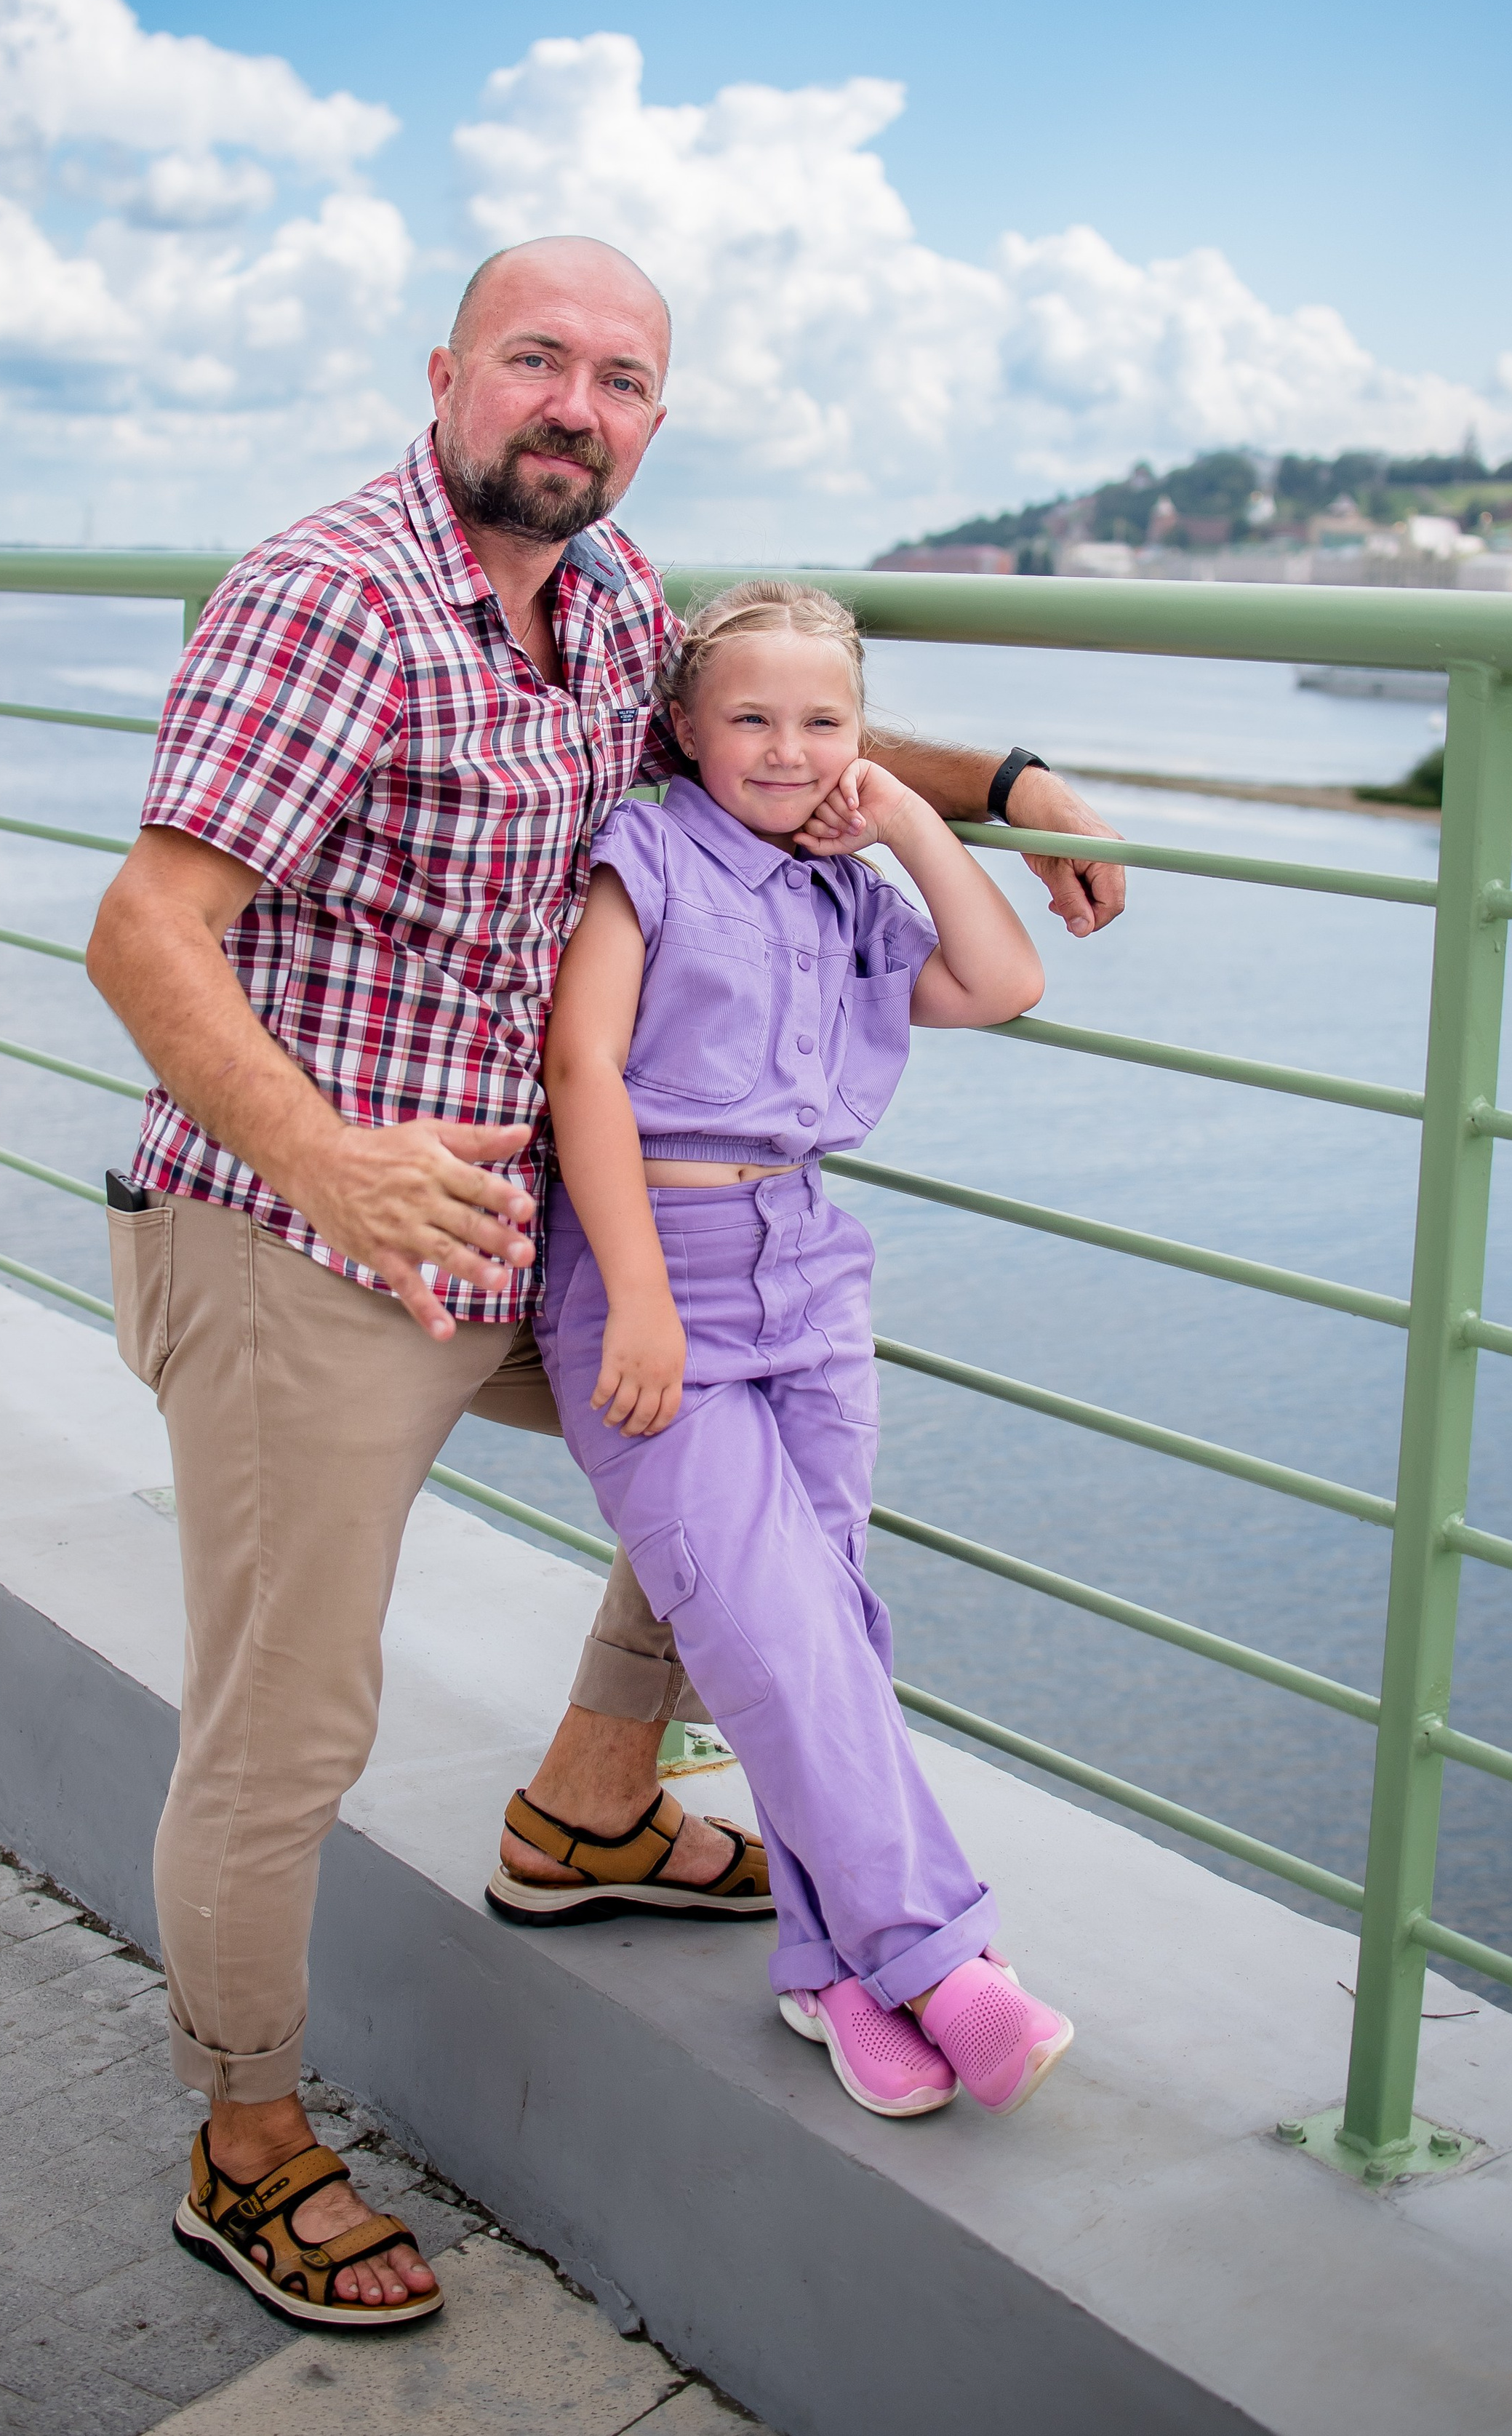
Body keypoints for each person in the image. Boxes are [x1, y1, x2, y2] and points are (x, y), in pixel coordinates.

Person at [87, 236, 1123, 2322]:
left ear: (655, 415)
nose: (578, 402)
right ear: (449, 371)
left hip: (538, 1230)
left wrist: (998, 789)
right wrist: (334, 1160)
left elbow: (786, 734)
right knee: (291, 1727)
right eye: (538, 360)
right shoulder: (335, 597)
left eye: (623, 376)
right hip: (307, 1229)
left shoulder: (619, 596)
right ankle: (247, 2135)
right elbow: (142, 929)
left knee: (740, 1473)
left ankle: (589, 1807)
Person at [519, 580, 1074, 2120]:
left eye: (820, 722)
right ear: (684, 729)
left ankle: (830, 1971)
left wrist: (901, 816)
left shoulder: (843, 887)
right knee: (768, 1633)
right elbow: (582, 1064)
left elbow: (999, 979)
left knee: (822, 1626)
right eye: (749, 718)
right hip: (659, 1277)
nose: (783, 748)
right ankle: (944, 1962)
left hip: (810, 1278)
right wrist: (631, 1291)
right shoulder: (645, 858)